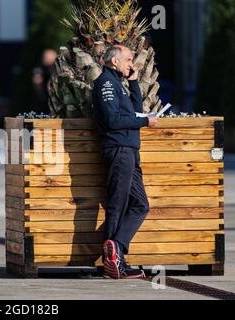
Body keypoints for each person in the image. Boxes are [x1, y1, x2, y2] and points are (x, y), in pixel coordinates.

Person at [92, 45, 159, 279]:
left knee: (140, 204)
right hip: (119, 149)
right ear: (114, 61)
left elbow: (135, 111)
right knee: (117, 204)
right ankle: (114, 262)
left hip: (129, 150)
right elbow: (113, 120)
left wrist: (133, 83)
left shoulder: (118, 84)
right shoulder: (106, 84)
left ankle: (117, 247)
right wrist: (144, 123)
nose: (132, 64)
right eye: (129, 59)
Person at [32, 49, 57, 113]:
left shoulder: (57, 68)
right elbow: (37, 81)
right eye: (44, 57)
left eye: (46, 57)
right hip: (44, 99)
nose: (44, 58)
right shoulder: (40, 68)